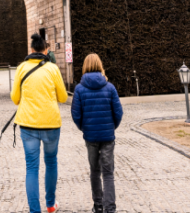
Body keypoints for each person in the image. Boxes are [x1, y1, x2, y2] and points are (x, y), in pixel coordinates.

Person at [11, 33, 68, 213]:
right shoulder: (52, 69)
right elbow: (63, 97)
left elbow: (15, 98)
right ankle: (50, 204)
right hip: (50, 123)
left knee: (32, 168)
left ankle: (35, 210)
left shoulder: (21, 68)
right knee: (51, 162)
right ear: (45, 50)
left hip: (28, 124)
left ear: (31, 50)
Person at [71, 53, 123, 213]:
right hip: (107, 136)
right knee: (108, 173)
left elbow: (76, 114)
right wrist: (111, 127)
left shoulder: (79, 89)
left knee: (94, 170)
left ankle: (98, 205)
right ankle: (110, 208)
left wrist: (84, 128)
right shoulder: (110, 87)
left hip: (91, 136)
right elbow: (118, 112)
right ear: (100, 66)